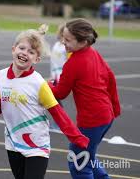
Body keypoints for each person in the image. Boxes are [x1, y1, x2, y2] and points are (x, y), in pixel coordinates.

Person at [0, 25, 90, 179]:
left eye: (31, 52)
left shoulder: (38, 83)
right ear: (13, 49)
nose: (25, 53)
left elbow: (58, 114)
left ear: (36, 59)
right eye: (22, 48)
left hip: (37, 145)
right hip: (13, 142)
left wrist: (77, 138)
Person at [48, 18, 121, 179]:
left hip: (92, 121)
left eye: (67, 39)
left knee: (78, 163)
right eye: (63, 38)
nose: (63, 42)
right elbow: (111, 77)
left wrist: (47, 86)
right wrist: (115, 107)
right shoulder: (94, 53)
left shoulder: (73, 62)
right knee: (89, 157)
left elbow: (60, 93)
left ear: (82, 41)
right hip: (106, 117)